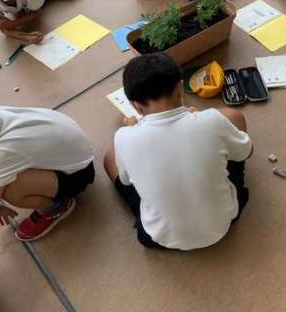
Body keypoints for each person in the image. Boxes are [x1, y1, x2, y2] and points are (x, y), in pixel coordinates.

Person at [104, 54, 252, 251]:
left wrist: (132, 129)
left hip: (159, 238)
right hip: (224, 222)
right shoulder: (212, 120)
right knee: (233, 116)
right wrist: (201, 119)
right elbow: (246, 152)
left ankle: (158, 219)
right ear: (180, 88)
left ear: (135, 105)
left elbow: (125, 180)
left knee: (110, 157)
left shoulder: (123, 137)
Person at [0, 107, 95, 242]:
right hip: (72, 144)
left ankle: (56, 207)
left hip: (79, 174)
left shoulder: (0, 156)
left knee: (10, 191)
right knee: (4, 176)